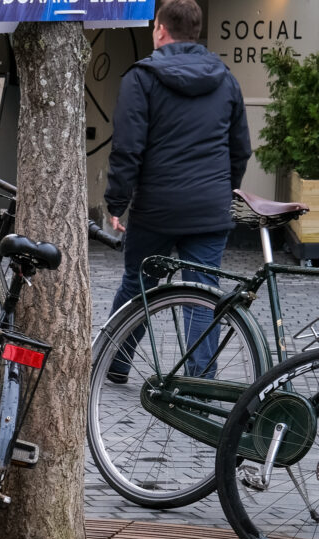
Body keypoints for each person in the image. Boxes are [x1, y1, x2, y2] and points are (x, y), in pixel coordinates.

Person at [104, 0, 252, 383]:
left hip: (156, 207)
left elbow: (127, 147)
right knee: (204, 294)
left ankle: (114, 365)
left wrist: (116, 202)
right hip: (209, 209)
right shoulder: (226, 79)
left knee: (139, 285)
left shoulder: (141, 78)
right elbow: (240, 148)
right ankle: (200, 382)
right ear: (196, 32)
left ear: (160, 29)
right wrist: (225, 189)